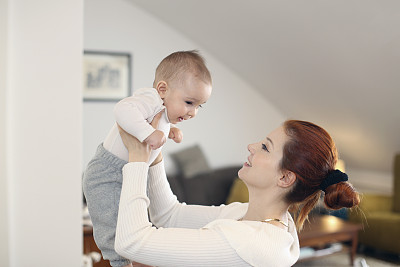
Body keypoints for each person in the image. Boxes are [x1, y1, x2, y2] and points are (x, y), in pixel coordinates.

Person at [114, 117, 360, 267]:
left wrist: (136, 159)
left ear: (285, 177)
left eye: (265, 147)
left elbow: (131, 242)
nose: (251, 147)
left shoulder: (247, 242)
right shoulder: (250, 217)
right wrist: (154, 150)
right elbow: (168, 216)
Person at [83, 50, 212, 267]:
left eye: (199, 106)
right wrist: (149, 134)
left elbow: (155, 125)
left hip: (130, 171)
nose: (193, 112)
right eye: (189, 102)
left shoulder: (163, 110)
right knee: (112, 226)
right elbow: (123, 110)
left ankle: (130, 259)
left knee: (132, 222)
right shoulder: (150, 99)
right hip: (107, 171)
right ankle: (119, 262)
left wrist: (169, 131)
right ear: (163, 89)